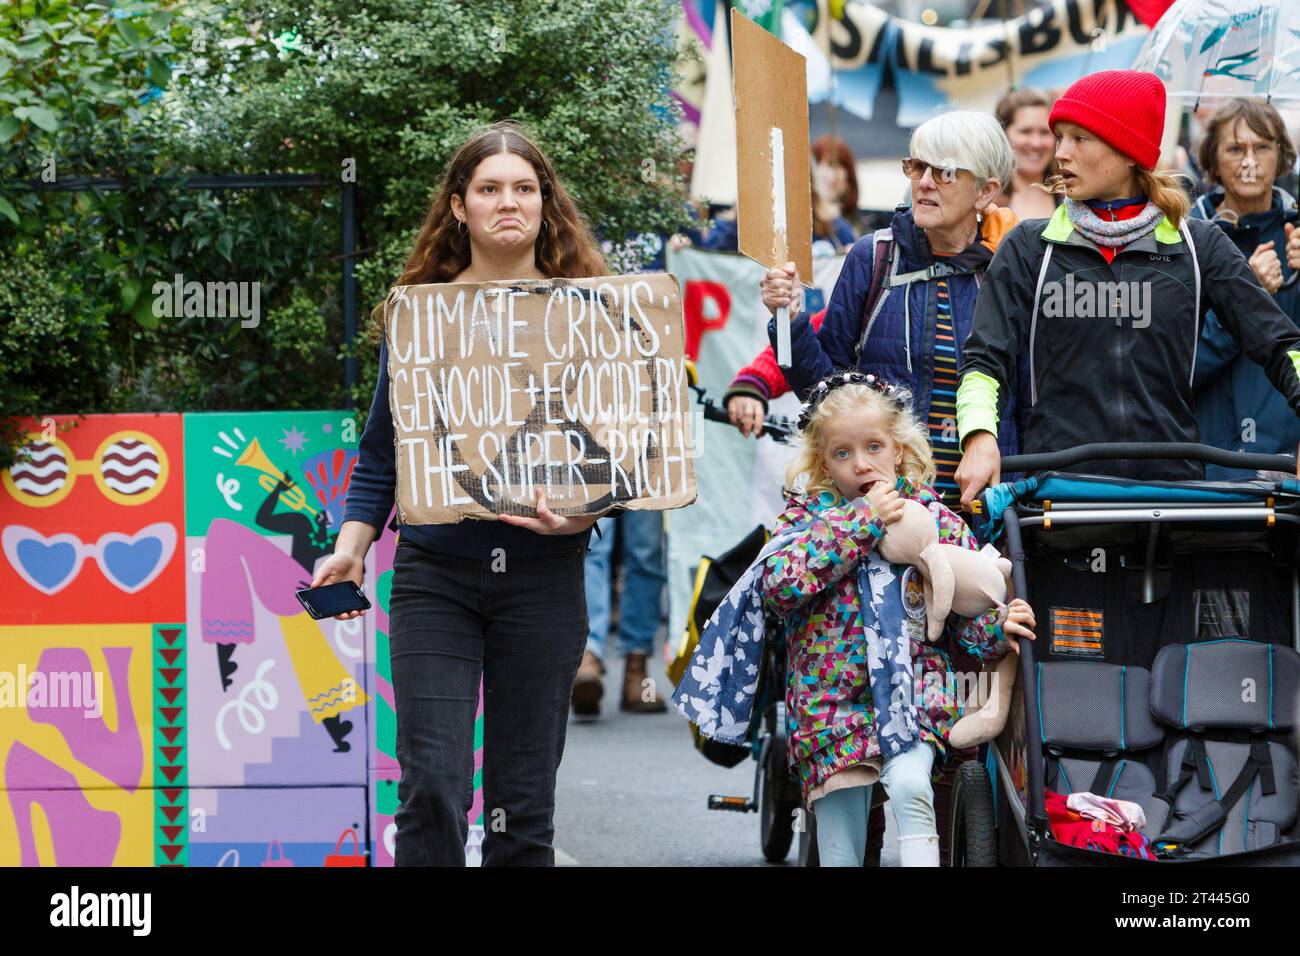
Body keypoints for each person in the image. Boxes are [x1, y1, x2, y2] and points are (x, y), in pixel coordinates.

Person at [313, 119, 604, 866]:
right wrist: (350, 548)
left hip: (543, 580)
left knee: (522, 803)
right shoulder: (420, 314)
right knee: (434, 787)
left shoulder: (595, 313)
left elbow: (632, 460)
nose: (508, 202)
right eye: (489, 188)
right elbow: (383, 451)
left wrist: (582, 517)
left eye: (524, 188)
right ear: (458, 206)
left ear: (546, 203)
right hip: (434, 575)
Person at [954, 70, 1300, 505]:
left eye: (1079, 138)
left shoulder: (1200, 244)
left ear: (1128, 149)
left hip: (1174, 500)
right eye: (1059, 137)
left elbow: (1282, 347)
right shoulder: (1028, 246)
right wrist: (980, 435)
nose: (1060, 153)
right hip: (1056, 500)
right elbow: (984, 361)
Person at [760, 372, 1034, 866]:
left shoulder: (933, 517)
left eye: (873, 446)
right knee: (841, 830)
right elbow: (779, 587)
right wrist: (862, 520)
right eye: (843, 453)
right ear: (823, 462)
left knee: (912, 787)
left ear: (898, 450)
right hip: (830, 709)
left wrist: (998, 628)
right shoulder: (805, 519)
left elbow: (965, 616)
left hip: (912, 696)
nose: (861, 463)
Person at [735, 110, 1027, 510]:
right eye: (917, 166)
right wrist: (790, 320)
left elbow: (1030, 401)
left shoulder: (1012, 268)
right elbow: (823, 394)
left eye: (944, 172)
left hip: (985, 511)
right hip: (884, 512)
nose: (924, 182)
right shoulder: (873, 257)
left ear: (985, 191)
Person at [1190, 98, 1300, 478]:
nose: (1249, 161)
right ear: (1213, 160)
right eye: (1235, 148)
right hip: (1204, 460)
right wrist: (1246, 299)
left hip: (1286, 459)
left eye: (1262, 147)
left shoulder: (1297, 235)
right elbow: (1177, 364)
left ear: (1282, 157)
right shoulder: (1184, 240)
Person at [572, 511, 669, 714]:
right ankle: (587, 656)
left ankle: (637, 665)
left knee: (646, 551)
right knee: (590, 542)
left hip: (645, 478)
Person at [994, 87, 1060, 220]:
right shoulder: (987, 203)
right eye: (1026, 131)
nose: (1036, 143)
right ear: (1003, 134)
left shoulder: (1073, 199)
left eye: (1044, 132)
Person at [812, 134, 863, 250]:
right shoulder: (803, 226)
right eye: (822, 164)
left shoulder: (845, 229)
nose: (830, 175)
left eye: (837, 165)